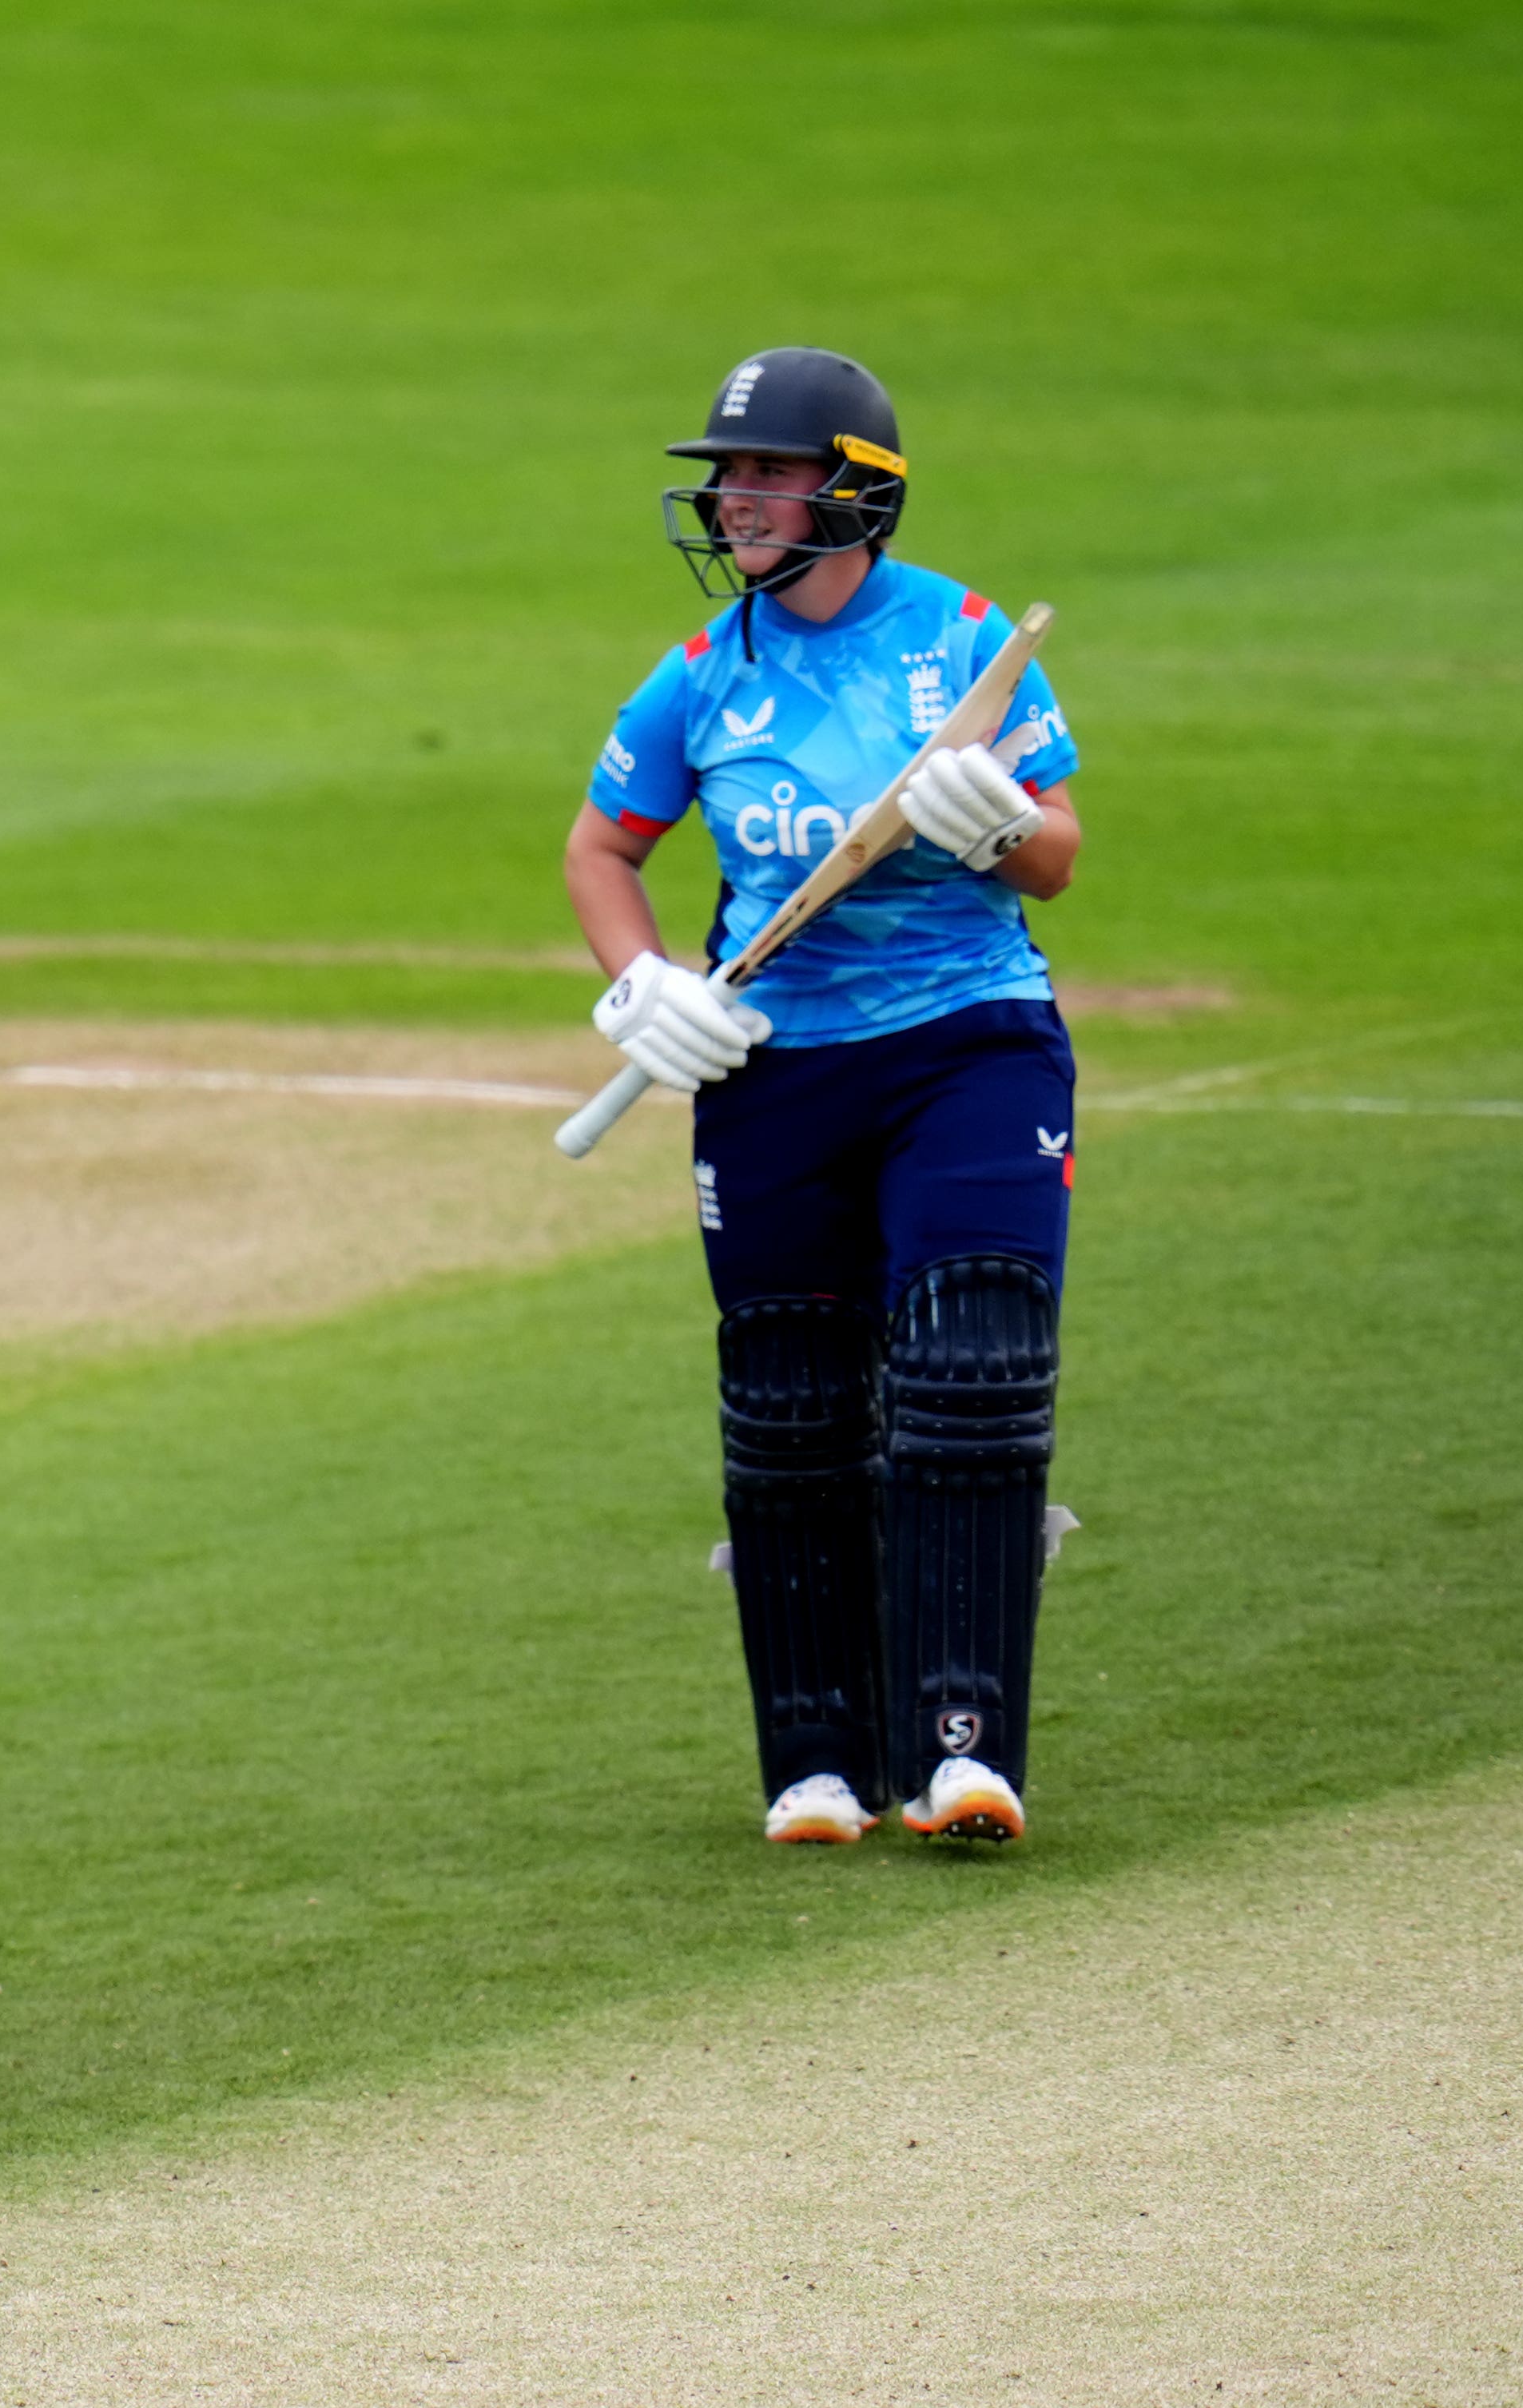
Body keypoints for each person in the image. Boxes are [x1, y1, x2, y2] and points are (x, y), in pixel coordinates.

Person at [559, 347, 1083, 1846]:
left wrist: (1001, 829)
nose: (732, 500)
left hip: (967, 1041)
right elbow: (603, 850)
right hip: (773, 1068)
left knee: (969, 1375)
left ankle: (965, 1747)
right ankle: (817, 1764)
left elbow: (1056, 853)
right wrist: (639, 985)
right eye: (726, 476)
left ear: (856, 490)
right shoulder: (700, 677)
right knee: (790, 1408)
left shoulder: (964, 642)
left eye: (767, 474)